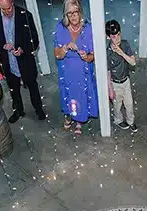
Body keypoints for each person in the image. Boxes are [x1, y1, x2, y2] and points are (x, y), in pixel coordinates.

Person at [0, 0, 47, 122]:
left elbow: (34, 39)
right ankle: (18, 111)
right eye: (4, 9)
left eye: (9, 8)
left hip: (25, 61)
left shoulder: (25, 15)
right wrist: (2, 46)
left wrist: (23, 49)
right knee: (13, 88)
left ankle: (39, 109)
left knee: (32, 86)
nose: (8, 12)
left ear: (12, 2)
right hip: (7, 61)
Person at [54, 0, 99, 135]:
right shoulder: (60, 28)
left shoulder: (89, 28)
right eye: (69, 13)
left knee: (81, 95)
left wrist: (87, 57)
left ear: (81, 12)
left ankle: (79, 119)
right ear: (65, 15)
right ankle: (69, 115)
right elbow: (57, 55)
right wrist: (66, 47)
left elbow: (94, 55)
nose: (73, 16)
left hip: (83, 71)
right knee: (68, 95)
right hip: (67, 72)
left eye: (76, 12)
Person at [106, 20, 137, 132]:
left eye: (119, 34)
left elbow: (133, 62)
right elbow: (107, 72)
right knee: (117, 105)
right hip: (115, 83)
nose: (117, 38)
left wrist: (122, 53)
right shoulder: (107, 53)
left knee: (129, 104)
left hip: (126, 81)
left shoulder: (125, 44)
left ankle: (130, 121)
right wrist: (110, 89)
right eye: (114, 36)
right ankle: (118, 120)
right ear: (108, 37)